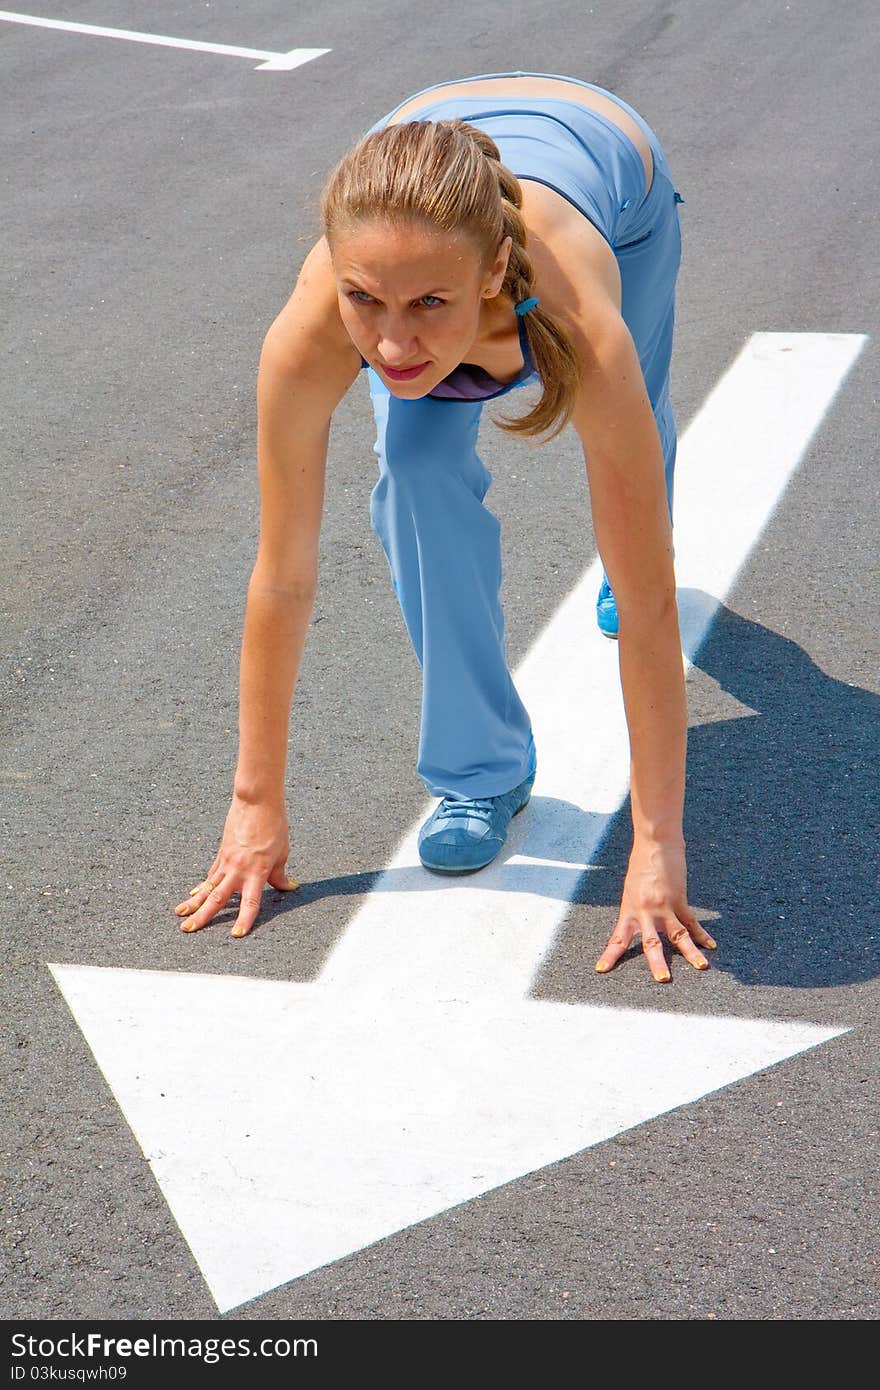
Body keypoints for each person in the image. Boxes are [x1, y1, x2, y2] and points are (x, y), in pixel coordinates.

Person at [174, 70, 717, 981]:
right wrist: (253, 803)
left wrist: (657, 845)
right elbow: (284, 574)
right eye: (366, 302)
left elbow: (660, 609)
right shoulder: (318, 318)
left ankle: (631, 544)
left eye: (430, 305)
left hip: (614, 170)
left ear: (496, 272)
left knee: (638, 532)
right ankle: (480, 774)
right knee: (416, 472)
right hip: (427, 140)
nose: (391, 345)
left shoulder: (579, 319)